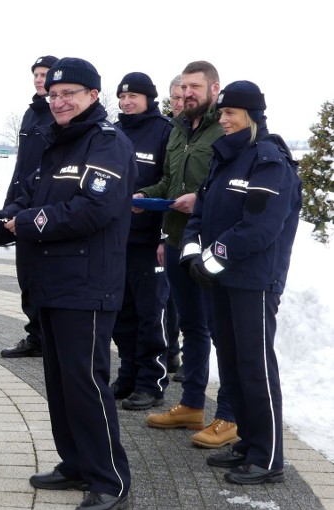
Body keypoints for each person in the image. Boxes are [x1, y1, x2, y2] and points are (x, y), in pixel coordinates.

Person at [0, 57, 133, 510]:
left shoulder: (107, 144)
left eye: (70, 93)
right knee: (62, 384)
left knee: (86, 384)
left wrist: (22, 222)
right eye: (54, 94)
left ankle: (110, 479)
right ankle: (77, 463)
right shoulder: (55, 144)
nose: (59, 101)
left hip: (86, 286)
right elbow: (25, 202)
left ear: (92, 96)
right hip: (49, 284)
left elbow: (92, 209)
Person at [180, 81, 300, 484]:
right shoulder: (226, 158)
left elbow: (261, 226)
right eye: (222, 113)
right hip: (222, 281)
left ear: (252, 115)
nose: (223, 120)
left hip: (253, 281)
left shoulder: (269, 160)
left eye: (231, 113)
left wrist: (215, 256)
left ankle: (269, 459)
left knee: (255, 367)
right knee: (231, 364)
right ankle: (248, 443)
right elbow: (202, 212)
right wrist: (193, 250)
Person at [135, 60, 237, 449]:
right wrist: (147, 195)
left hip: (215, 244)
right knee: (192, 327)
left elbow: (228, 188)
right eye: (183, 88)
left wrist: (202, 201)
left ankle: (228, 414)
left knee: (221, 332)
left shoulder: (226, 128)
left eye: (196, 86)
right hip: (178, 240)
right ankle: (192, 404)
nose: (188, 94)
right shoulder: (179, 131)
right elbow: (169, 179)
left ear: (214, 88)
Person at [110, 72, 173, 411]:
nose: (126, 101)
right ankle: (129, 372)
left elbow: (171, 181)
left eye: (133, 95)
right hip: (120, 240)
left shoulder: (165, 131)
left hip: (150, 241)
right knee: (122, 312)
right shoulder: (114, 132)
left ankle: (152, 381)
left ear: (149, 98)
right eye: (122, 96)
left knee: (151, 313)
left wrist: (164, 233)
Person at [0, 54, 57, 359]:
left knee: (45, 274)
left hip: (44, 205)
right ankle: (35, 336)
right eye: (36, 74)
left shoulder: (59, 115)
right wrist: (10, 202)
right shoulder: (30, 114)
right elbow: (22, 164)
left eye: (45, 74)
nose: (39, 79)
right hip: (21, 202)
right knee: (27, 276)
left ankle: (49, 335)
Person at [165, 74, 184, 379]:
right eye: (175, 98)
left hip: (200, 232)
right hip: (170, 230)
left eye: (185, 96)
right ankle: (172, 353)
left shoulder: (213, 131)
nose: (180, 103)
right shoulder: (171, 132)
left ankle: (190, 358)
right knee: (170, 299)